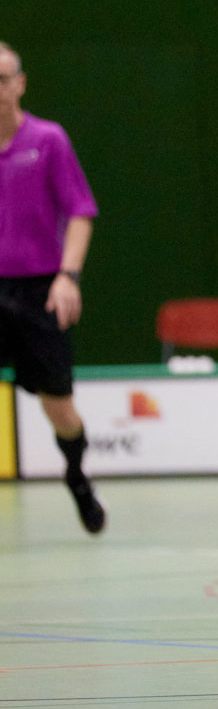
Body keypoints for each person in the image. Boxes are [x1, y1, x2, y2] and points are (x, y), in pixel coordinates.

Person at [0, 41, 104, 534]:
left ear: (19, 83)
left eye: (3, 79)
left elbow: (80, 211)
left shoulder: (48, 140)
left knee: (57, 403)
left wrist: (68, 275)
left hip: (41, 289)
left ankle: (77, 475)